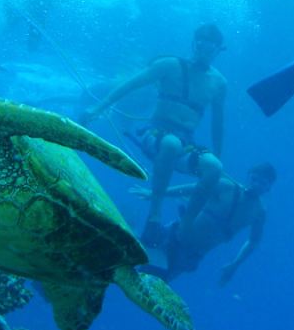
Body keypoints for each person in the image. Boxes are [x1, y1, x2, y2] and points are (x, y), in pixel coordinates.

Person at [80, 24, 227, 246]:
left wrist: (218, 153)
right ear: (193, 43)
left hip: (187, 141)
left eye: (211, 48)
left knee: (214, 168)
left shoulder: (219, 83)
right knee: (171, 144)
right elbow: (129, 85)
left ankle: (187, 224)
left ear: (218, 50)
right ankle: (154, 217)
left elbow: (218, 122)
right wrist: (97, 108)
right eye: (201, 44)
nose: (204, 51)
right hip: (156, 133)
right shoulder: (168, 65)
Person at [132, 162, 277, 283]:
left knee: (151, 283)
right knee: (130, 259)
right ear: (248, 176)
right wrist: (155, 193)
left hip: (189, 255)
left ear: (269, 187)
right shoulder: (228, 187)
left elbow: (253, 241)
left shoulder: (259, 212)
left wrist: (235, 264)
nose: (256, 184)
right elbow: (193, 189)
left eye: (262, 182)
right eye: (254, 178)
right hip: (172, 236)